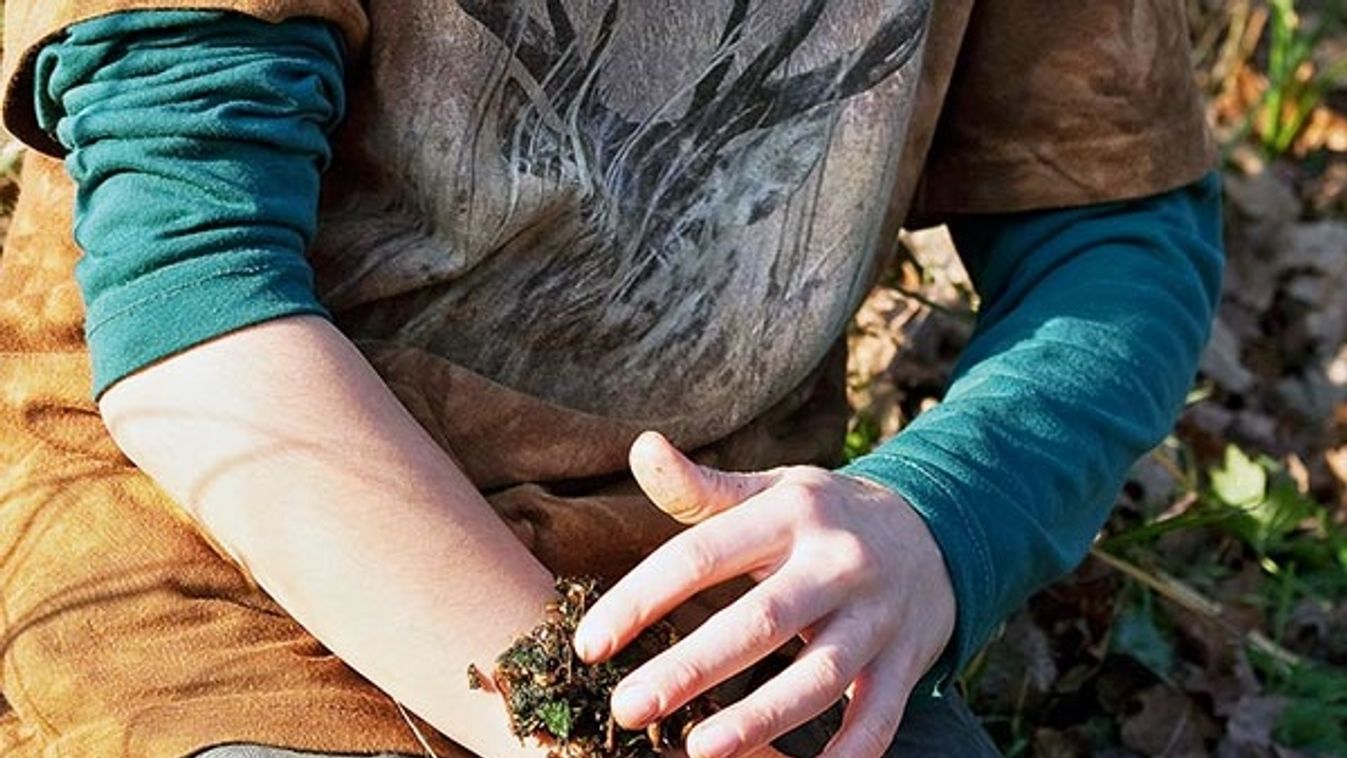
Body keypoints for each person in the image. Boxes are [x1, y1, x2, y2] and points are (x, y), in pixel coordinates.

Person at [0, 1, 1223, 756]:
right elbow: (193, 297)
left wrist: (936, 515)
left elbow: (1116, 233)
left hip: (708, 587)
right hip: (221, 549)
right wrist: (578, 730)